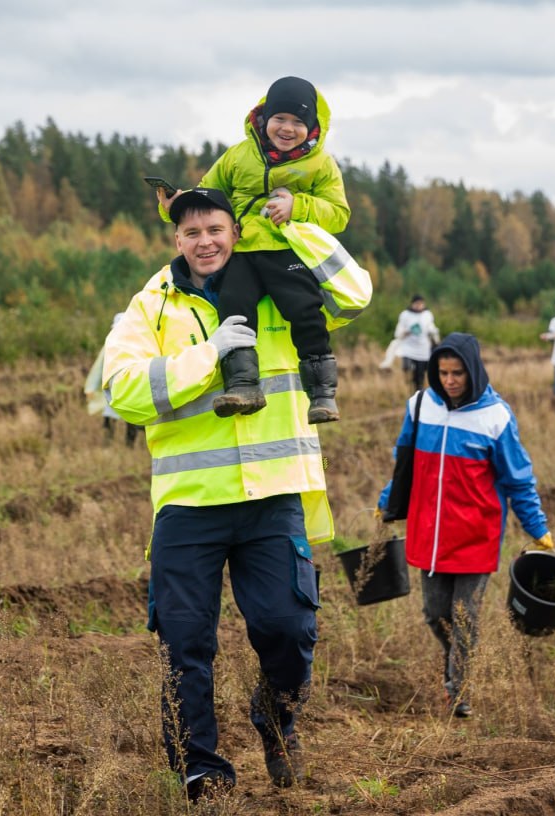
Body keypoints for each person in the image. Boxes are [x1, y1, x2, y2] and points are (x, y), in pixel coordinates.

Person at [103, 187, 370, 801]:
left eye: (217, 228)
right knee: (185, 640)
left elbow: (355, 293)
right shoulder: (153, 306)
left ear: (235, 231)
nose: (205, 241)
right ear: (177, 241)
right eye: (192, 232)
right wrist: (209, 354)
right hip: (191, 503)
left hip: (272, 496)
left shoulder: (278, 280)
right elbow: (121, 390)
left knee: (288, 629)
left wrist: (294, 223)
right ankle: (202, 769)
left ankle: (277, 720)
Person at [376, 332, 554, 717]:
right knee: (435, 613)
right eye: (442, 372)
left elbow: (517, 479)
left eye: (458, 373)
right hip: (430, 532)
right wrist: (388, 500)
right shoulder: (421, 405)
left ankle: (460, 691)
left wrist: (537, 529)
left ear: (473, 371)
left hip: (476, 533)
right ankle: (454, 661)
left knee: (465, 616)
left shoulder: (495, 416)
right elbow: (405, 461)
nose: (450, 380)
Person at [155, 76, 348, 424]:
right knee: (235, 308)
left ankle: (322, 395)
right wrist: (175, 204)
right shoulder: (238, 156)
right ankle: (244, 386)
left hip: (288, 251)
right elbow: (207, 195)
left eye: (298, 122)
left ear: (313, 127)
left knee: (305, 310)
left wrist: (299, 205)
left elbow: (339, 214)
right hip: (243, 252)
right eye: (280, 119)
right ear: (263, 117)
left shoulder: (321, 165)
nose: (287, 129)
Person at [85, 313, 143, 446]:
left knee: (131, 417)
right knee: (110, 414)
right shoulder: (110, 346)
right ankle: (107, 443)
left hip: (131, 387)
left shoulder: (138, 345)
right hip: (112, 387)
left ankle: (129, 446)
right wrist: (91, 388)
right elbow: (100, 367)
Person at [393, 294, 442, 392]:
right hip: (408, 347)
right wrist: (405, 332)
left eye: (421, 304)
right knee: (407, 366)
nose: (419, 306)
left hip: (422, 349)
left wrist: (435, 337)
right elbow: (398, 331)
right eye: (417, 304)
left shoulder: (427, 315)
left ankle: (418, 392)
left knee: (420, 374)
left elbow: (431, 328)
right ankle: (408, 381)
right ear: (412, 304)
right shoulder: (405, 315)